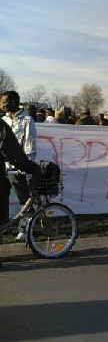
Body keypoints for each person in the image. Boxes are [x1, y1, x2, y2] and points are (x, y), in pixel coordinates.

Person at [1, 91, 37, 240]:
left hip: (18, 167)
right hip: (3, 167)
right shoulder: (4, 120)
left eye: (4, 102)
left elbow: (30, 145)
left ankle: (24, 228)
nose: (1, 105)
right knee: (3, 198)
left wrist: (26, 167)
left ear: (14, 102)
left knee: (24, 199)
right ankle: (3, 227)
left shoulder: (27, 120)